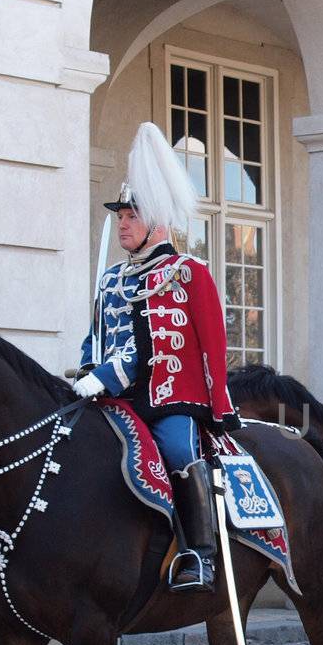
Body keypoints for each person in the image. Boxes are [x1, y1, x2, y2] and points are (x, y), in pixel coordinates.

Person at [75, 122, 237, 593]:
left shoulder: (186, 273)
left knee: (181, 453)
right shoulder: (110, 279)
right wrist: (87, 370)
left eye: (131, 215)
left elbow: (183, 348)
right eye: (120, 215)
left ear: (158, 221)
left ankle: (198, 554)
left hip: (170, 400)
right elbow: (97, 337)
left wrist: (219, 404)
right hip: (112, 398)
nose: (122, 223)